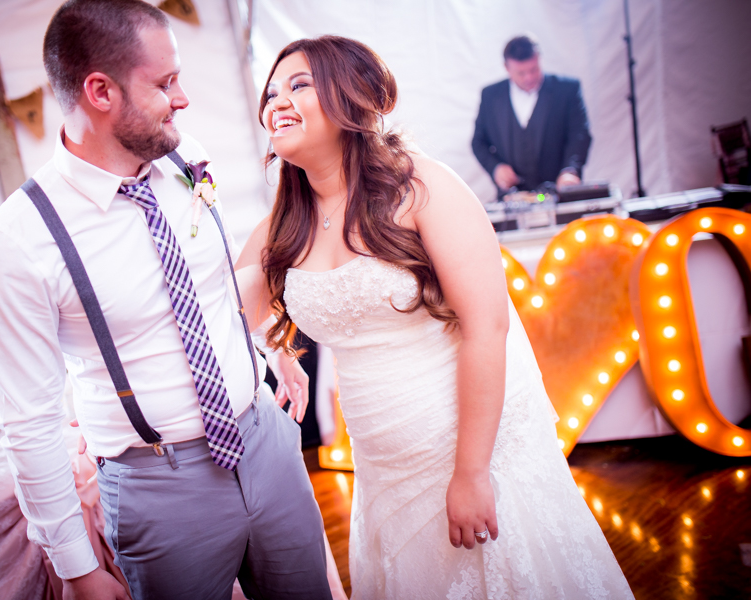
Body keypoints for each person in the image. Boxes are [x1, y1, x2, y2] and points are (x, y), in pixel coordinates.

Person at [236, 36, 634, 599]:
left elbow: (486, 327)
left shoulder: (420, 187)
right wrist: (276, 349)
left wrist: (472, 473)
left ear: (351, 96)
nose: (276, 100)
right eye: (271, 91)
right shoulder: (283, 222)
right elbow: (223, 314)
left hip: (465, 450)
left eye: (299, 85)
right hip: (383, 470)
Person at [0, 2, 333, 599]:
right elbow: (28, 422)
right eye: (165, 84)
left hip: (267, 443)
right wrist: (78, 568)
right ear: (100, 92)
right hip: (160, 491)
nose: (182, 98)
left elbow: (215, 287)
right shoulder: (16, 241)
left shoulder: (186, 157)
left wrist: (269, 349)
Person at [471, 35, 592, 198]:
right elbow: (478, 141)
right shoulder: (490, 96)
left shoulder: (567, 90)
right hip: (512, 197)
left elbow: (579, 135)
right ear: (507, 67)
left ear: (539, 59)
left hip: (559, 194)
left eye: (534, 69)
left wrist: (570, 170)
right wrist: (496, 168)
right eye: (521, 73)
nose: (529, 77)